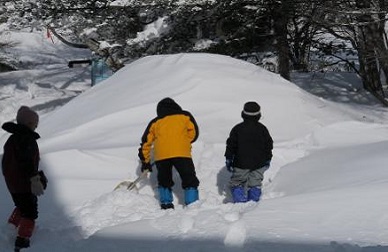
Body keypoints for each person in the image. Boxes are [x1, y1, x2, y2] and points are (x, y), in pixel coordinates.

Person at [138, 98, 200, 209]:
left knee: (164, 179)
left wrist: (145, 161)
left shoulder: (155, 122)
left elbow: (146, 142)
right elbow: (194, 133)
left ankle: (166, 203)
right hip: (182, 153)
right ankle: (192, 203)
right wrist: (184, 141)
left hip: (162, 155)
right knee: (188, 177)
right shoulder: (185, 116)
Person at [2, 106, 47, 250]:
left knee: (21, 205)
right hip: (23, 183)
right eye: (35, 123)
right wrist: (34, 179)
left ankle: (10, 227)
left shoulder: (13, 138)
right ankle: (22, 240)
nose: (36, 126)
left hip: (13, 183)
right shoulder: (25, 139)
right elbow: (26, 162)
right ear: (29, 124)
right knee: (30, 211)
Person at [224, 101, 273, 203]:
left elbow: (231, 145)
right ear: (259, 115)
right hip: (259, 162)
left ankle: (240, 200)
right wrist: (268, 158)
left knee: (237, 181)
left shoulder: (237, 129)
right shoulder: (262, 129)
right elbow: (268, 145)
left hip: (240, 162)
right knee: (255, 182)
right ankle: (253, 201)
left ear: (243, 114)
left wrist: (228, 158)